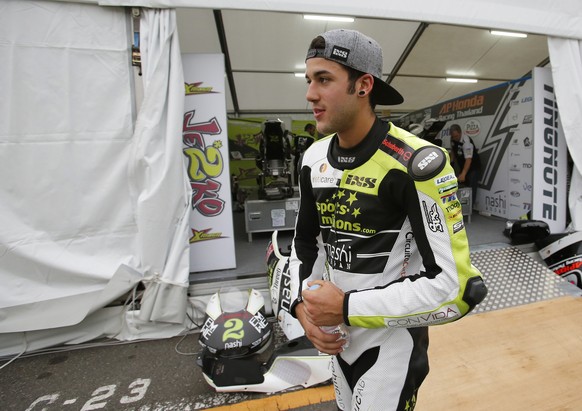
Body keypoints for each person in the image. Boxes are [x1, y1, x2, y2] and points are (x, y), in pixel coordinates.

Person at [288, 29, 487, 411]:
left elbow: (457, 289)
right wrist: (304, 308)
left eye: (324, 79)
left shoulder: (417, 163)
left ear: (364, 86)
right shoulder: (313, 159)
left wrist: (345, 308)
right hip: (337, 341)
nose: (310, 94)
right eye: (309, 80)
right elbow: (304, 245)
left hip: (390, 346)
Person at [449, 123, 481, 204]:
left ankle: (470, 208)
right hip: (464, 166)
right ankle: (462, 207)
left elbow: (468, 159)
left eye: (456, 136)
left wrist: (463, 174)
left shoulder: (466, 142)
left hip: (473, 167)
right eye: (453, 136)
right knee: (461, 186)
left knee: (470, 187)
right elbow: (453, 150)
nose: (454, 138)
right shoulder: (453, 139)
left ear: (460, 133)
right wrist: (451, 164)